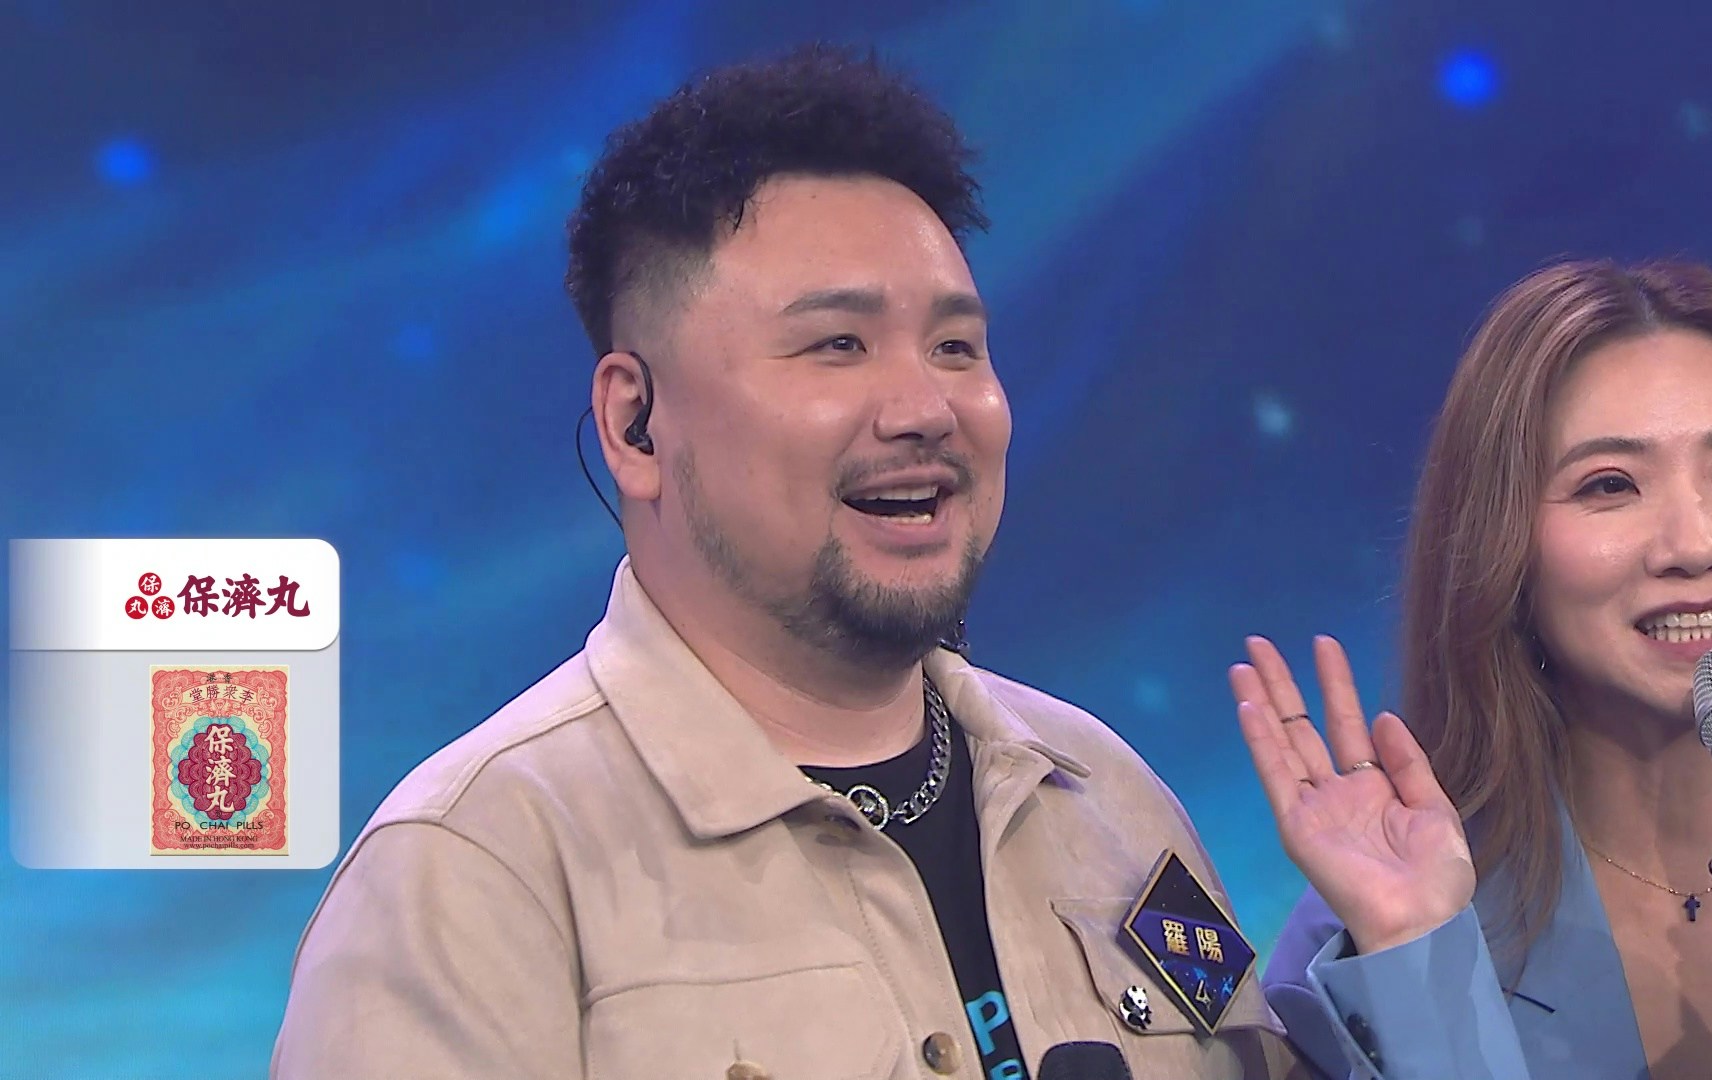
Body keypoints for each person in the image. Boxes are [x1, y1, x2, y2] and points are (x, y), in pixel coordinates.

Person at [271, 45, 1296, 1079]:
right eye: (837, 345)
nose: (925, 409)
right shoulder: (472, 874)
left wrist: (1388, 949)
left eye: (955, 347)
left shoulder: (1108, 797)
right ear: (634, 424)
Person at [1233, 259, 1712, 1079]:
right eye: (1610, 485)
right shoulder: (1381, 925)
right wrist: (1424, 973)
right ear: (1504, 552)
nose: (1695, 545)